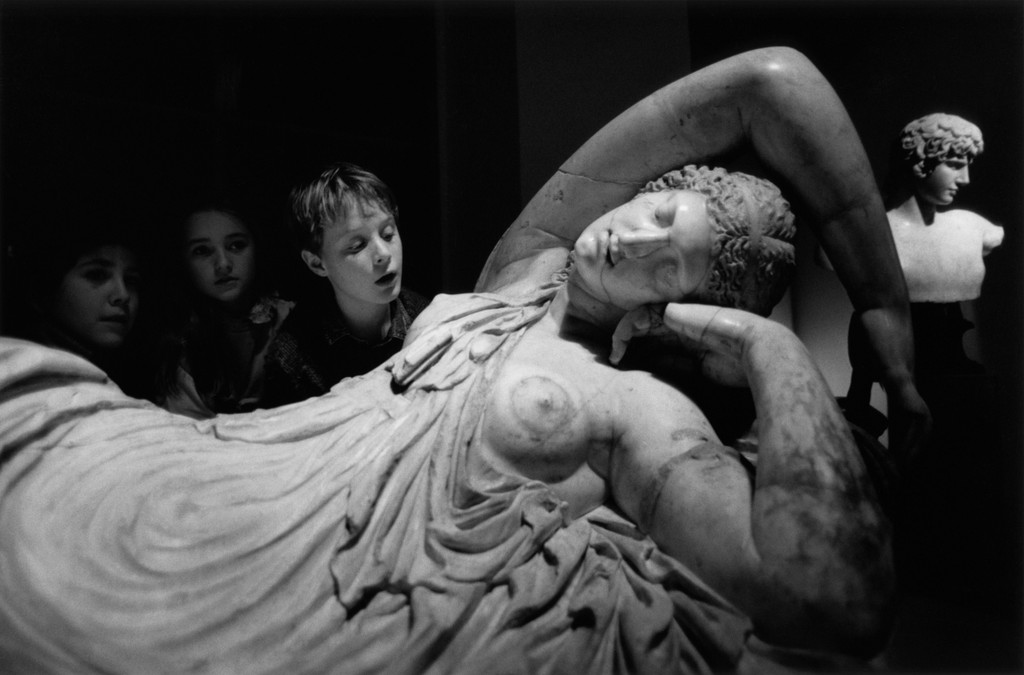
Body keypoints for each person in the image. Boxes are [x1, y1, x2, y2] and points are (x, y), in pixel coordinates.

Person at [0, 48, 905, 673]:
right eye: (658, 213)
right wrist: (884, 309)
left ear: (676, 308)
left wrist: (769, 344)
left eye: (669, 265)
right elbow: (768, 83)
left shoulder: (637, 404)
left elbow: (826, 599)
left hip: (338, 580)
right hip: (257, 476)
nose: (635, 239)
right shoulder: (522, 272)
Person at [844, 113, 1003, 436]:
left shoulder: (975, 229)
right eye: (955, 165)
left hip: (956, 372)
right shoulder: (873, 235)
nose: (965, 179)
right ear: (920, 162)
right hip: (912, 365)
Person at [261, 163, 429, 407]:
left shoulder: (429, 321)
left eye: (388, 234)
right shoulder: (295, 356)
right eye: (357, 246)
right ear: (317, 263)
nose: (383, 253)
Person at [153, 205, 294, 418]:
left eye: (236, 246)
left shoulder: (292, 320)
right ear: (182, 262)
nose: (223, 264)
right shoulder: (179, 343)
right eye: (202, 251)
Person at [6, 224, 150, 398]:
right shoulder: (16, 373)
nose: (123, 295)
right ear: (44, 288)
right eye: (96, 275)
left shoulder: (141, 376)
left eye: (131, 280)